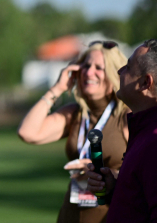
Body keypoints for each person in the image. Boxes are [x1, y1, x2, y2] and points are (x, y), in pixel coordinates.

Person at [17, 41, 130, 223]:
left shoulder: (127, 116)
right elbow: (27, 132)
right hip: (70, 215)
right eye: (85, 66)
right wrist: (58, 88)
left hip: (109, 216)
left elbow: (143, 174)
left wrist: (105, 173)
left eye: (99, 68)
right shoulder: (74, 114)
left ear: (113, 74)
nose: (89, 72)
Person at [86, 39, 157, 223]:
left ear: (146, 83)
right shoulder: (149, 130)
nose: (119, 71)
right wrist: (117, 186)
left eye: (128, 67)